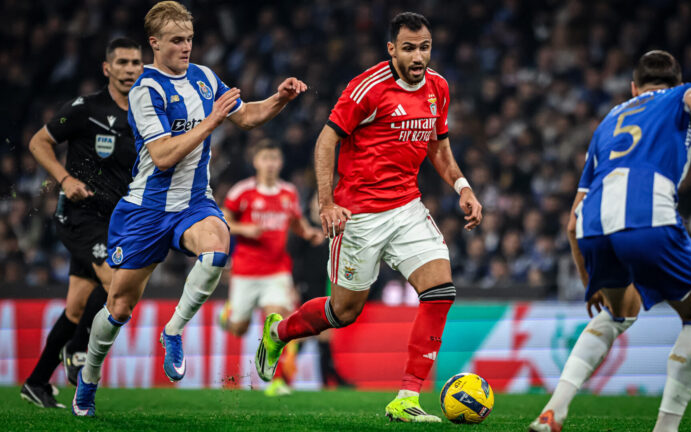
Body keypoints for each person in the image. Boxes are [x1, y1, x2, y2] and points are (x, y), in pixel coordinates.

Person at [72, 1, 306, 417]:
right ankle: (88, 379)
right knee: (119, 307)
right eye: (177, 40)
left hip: (194, 203)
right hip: (146, 209)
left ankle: (173, 331)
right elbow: (162, 155)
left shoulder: (204, 77)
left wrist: (280, 98)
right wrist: (212, 121)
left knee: (218, 250)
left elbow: (247, 116)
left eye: (190, 40)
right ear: (155, 43)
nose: (186, 48)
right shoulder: (144, 89)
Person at [255, 12, 483, 423]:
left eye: (425, 47)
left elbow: (438, 147)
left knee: (440, 291)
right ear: (391, 49)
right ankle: (278, 333)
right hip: (358, 215)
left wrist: (463, 186)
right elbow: (327, 141)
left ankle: (406, 397)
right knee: (343, 313)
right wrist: (326, 203)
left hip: (407, 208)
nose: (418, 56)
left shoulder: (438, 88)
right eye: (409, 48)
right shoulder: (368, 88)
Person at [528, 50, 691, 432]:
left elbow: (572, 222)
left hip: (594, 225)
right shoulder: (682, 95)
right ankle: (665, 429)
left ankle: (553, 410)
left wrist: (590, 279)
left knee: (618, 312)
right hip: (646, 213)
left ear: (633, 87)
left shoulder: (608, 121)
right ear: (676, 81)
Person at [21, 38, 142, 409]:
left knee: (76, 307)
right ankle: (77, 351)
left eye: (136, 63)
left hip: (117, 220)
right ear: (107, 68)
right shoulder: (85, 108)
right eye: (121, 62)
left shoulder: (146, 114)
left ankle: (37, 382)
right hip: (80, 215)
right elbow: (39, 142)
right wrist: (65, 179)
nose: (129, 69)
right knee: (116, 282)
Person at [219, 141, 324, 396]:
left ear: (280, 163)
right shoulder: (242, 192)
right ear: (256, 162)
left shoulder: (288, 192)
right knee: (239, 328)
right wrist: (245, 229)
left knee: (277, 321)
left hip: (277, 271)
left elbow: (296, 222)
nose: (270, 163)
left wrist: (308, 233)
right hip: (245, 271)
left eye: (275, 158)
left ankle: (278, 381)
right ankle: (229, 315)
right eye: (265, 158)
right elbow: (223, 220)